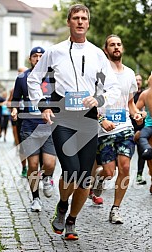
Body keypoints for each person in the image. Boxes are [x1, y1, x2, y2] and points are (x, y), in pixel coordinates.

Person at [27, 4, 121, 240]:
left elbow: (113, 87)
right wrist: (43, 105)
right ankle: (61, 205)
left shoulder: (98, 54)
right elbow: (33, 79)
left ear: (88, 23)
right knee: (71, 170)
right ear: (69, 22)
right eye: (76, 18)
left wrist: (99, 98)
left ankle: (71, 220)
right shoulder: (55, 51)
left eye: (84, 18)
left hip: (88, 118)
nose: (80, 22)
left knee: (84, 179)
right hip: (64, 116)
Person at [92, 34, 142, 224]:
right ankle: (98, 179)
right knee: (109, 172)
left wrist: (136, 113)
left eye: (119, 44)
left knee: (126, 167)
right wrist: (102, 119)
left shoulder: (129, 73)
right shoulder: (100, 74)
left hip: (125, 127)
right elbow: (92, 103)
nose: (116, 47)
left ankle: (115, 209)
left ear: (123, 48)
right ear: (106, 50)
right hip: (104, 130)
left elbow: (130, 103)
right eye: (112, 45)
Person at [11, 46, 56, 212]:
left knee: (50, 163)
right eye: (35, 56)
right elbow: (16, 100)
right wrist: (15, 110)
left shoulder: (53, 77)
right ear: (30, 59)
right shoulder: (22, 77)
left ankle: (46, 178)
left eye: (41, 56)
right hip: (29, 125)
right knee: (33, 164)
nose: (38, 59)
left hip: (49, 125)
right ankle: (36, 198)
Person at [8, 67, 28, 177]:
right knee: (22, 144)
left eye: (23, 72)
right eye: (20, 72)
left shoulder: (33, 85)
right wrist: (13, 108)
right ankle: (24, 167)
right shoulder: (14, 89)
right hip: (19, 118)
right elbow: (10, 102)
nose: (22, 74)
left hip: (31, 118)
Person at [135, 74, 152, 192]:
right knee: (142, 137)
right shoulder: (145, 94)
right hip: (149, 126)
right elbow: (135, 110)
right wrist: (140, 114)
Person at [130, 74, 146, 184]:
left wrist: (145, 113)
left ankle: (139, 175)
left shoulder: (145, 94)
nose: (138, 82)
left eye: (140, 80)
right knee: (126, 153)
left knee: (142, 152)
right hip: (130, 127)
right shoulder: (130, 94)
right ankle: (122, 172)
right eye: (136, 80)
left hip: (141, 128)